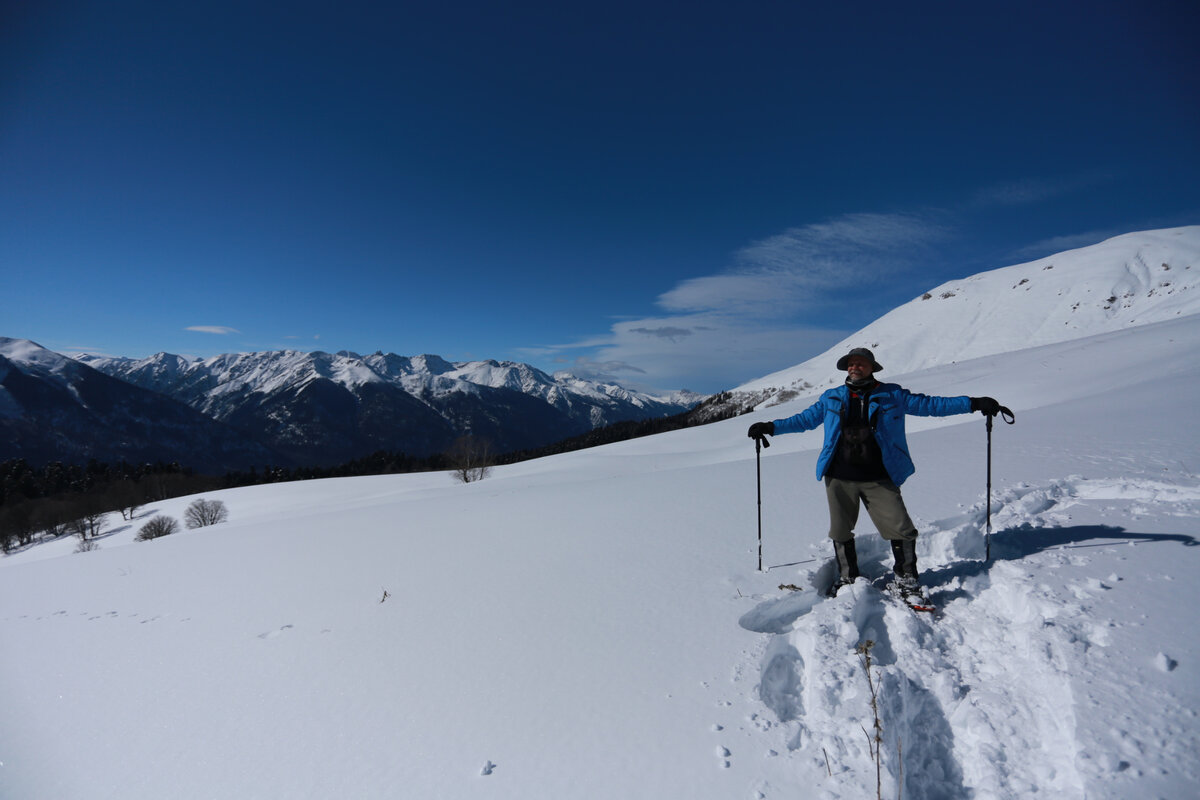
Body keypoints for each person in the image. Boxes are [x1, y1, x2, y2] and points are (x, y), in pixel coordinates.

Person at [747, 347, 1002, 599]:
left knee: (901, 528)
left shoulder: (892, 394)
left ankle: (907, 578)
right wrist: (771, 427)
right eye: (851, 364)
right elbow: (805, 420)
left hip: (879, 476)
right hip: (838, 476)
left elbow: (930, 405)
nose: (854, 367)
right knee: (840, 530)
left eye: (860, 363)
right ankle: (847, 578)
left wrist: (973, 404)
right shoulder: (831, 397)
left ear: (872, 367)